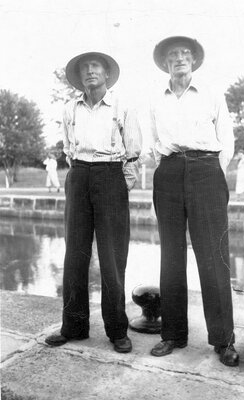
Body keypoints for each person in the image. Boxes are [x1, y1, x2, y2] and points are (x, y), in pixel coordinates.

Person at [149, 36, 239, 366]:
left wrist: (213, 170)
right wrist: (168, 169)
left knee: (214, 256)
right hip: (169, 171)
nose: (180, 59)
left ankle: (223, 339)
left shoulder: (212, 94)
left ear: (194, 61)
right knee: (171, 255)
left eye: (185, 54)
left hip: (206, 170)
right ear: (165, 64)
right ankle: (172, 334)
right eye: (173, 56)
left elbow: (226, 138)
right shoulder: (156, 100)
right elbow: (154, 141)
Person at [45, 51, 142, 353]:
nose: (90, 71)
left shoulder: (122, 106)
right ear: (79, 76)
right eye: (84, 68)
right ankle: (73, 326)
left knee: (112, 257)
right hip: (79, 175)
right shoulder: (69, 108)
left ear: (106, 73)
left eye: (95, 66)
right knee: (75, 253)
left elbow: (134, 150)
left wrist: (117, 183)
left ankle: (117, 330)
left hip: (111, 174)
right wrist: (79, 175)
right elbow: (67, 146)